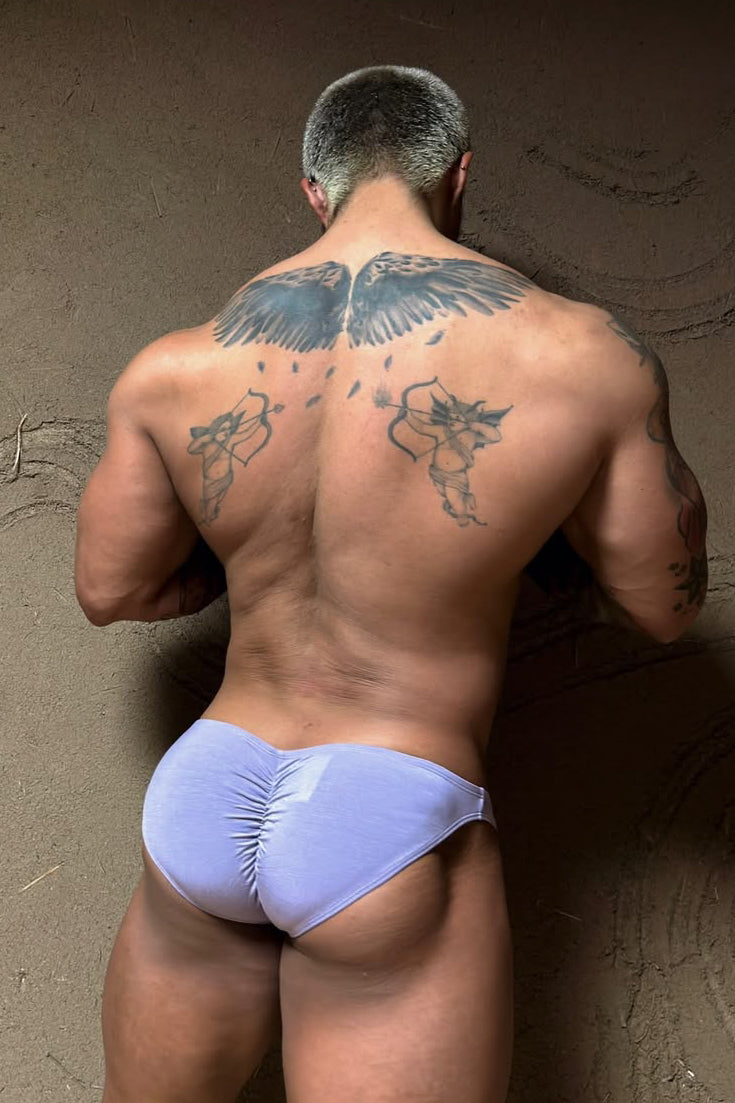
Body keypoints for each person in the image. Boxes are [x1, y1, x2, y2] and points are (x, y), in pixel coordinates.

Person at [74, 65, 708, 1103]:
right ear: (458, 175)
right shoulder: (588, 357)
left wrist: (245, 565)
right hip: (385, 802)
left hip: (210, 780)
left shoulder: (173, 367)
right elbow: (664, 604)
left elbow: (111, 589)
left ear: (313, 191)